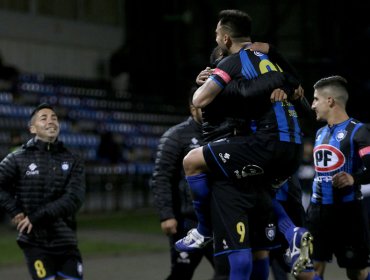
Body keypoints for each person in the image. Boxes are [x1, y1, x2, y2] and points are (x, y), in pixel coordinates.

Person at [175, 10, 313, 279]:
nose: (215, 38)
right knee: (266, 239)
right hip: (291, 152)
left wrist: (211, 81)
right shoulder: (274, 64)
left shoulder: (233, 65)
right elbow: (303, 102)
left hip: (259, 149)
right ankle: (294, 234)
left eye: (217, 34)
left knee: (191, 161)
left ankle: (203, 230)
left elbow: (200, 101)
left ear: (225, 39)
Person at [0, 103, 86, 280]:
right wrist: (14, 209)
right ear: (33, 128)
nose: (51, 121)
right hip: (35, 242)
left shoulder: (73, 159)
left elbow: (73, 198)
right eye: (44, 118)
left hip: (66, 241)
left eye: (54, 118)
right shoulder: (18, 158)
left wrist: (35, 217)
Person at [151, 88, 228, 280]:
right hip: (187, 222)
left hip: (218, 220)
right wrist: (166, 215)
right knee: (181, 273)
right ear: (192, 108)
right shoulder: (175, 137)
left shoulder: (222, 133)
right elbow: (161, 177)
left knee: (227, 272)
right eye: (203, 107)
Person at [307, 75, 370, 280]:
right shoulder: (319, 133)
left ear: (330, 100)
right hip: (318, 212)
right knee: (312, 269)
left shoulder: (359, 131)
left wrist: (354, 178)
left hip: (348, 213)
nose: (312, 104)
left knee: (357, 272)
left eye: (316, 99)